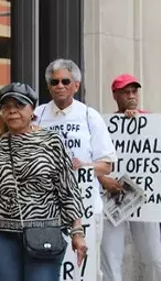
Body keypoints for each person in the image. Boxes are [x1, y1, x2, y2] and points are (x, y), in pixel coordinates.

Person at [0, 82, 86, 281]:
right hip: (1, 235)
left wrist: (77, 232)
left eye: (19, 105)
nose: (13, 111)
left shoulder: (51, 142)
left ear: (32, 109)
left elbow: (68, 190)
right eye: (6, 107)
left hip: (44, 233)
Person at [33, 59, 115, 281]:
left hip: (85, 205)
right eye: (54, 81)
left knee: (85, 268)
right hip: (46, 206)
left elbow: (107, 164)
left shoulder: (90, 116)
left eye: (65, 81)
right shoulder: (36, 115)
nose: (59, 86)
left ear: (76, 86)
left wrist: (84, 167)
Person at [99, 74, 161, 281]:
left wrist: (142, 122)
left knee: (154, 257)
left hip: (145, 197)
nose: (131, 96)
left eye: (134, 91)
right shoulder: (104, 125)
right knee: (110, 258)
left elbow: (159, 154)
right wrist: (103, 180)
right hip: (111, 196)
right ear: (115, 95)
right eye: (125, 92)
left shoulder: (150, 121)